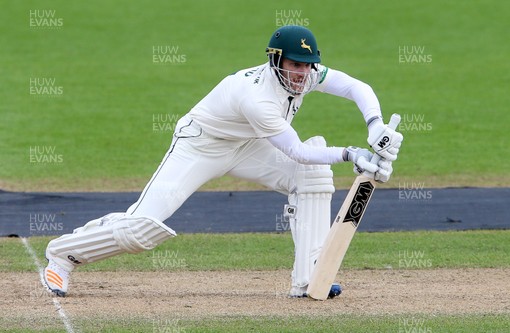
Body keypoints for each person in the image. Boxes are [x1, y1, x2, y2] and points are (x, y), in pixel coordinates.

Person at [43, 25, 403, 298]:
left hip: (248, 144)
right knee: (142, 228)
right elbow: (296, 150)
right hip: (201, 145)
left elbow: (358, 87)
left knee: (312, 177)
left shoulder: (307, 76)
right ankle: (62, 256)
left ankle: (310, 278)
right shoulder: (257, 97)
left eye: (308, 66)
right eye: (295, 65)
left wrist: (374, 126)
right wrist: (352, 154)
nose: (302, 74)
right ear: (276, 60)